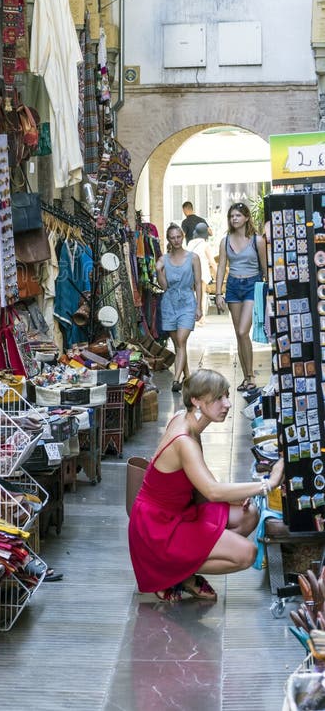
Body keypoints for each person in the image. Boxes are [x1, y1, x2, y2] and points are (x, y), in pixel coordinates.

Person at [128, 369, 284, 603]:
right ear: (197, 401)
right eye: (219, 398)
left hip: (178, 511)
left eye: (227, 395)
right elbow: (212, 491)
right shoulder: (184, 441)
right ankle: (172, 572)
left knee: (248, 514)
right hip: (158, 528)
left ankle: (180, 570)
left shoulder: (185, 417)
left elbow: (202, 483)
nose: (228, 404)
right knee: (247, 553)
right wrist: (268, 484)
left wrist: (233, 496)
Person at [215, 202, 267, 393]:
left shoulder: (257, 241)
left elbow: (265, 267)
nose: (234, 219)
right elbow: (221, 266)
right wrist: (218, 293)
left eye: (238, 215)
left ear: (246, 217)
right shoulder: (225, 241)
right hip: (233, 287)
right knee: (239, 334)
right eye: (231, 216)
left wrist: (269, 294)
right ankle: (246, 377)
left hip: (252, 286)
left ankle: (251, 375)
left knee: (244, 331)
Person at [156, 223, 202, 392]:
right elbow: (164, 287)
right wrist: (159, 271)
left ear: (183, 236)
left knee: (181, 340)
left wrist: (198, 307)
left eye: (178, 236)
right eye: (172, 237)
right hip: (169, 303)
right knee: (178, 344)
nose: (176, 240)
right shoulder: (163, 260)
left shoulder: (193, 257)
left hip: (187, 303)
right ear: (168, 239)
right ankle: (187, 375)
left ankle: (176, 380)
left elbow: (198, 283)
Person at [188, 222, 218, 325]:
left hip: (191, 271)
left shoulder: (190, 243)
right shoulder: (205, 245)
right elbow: (212, 262)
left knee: (192, 295)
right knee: (202, 295)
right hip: (202, 271)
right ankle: (201, 318)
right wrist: (218, 274)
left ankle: (192, 317)